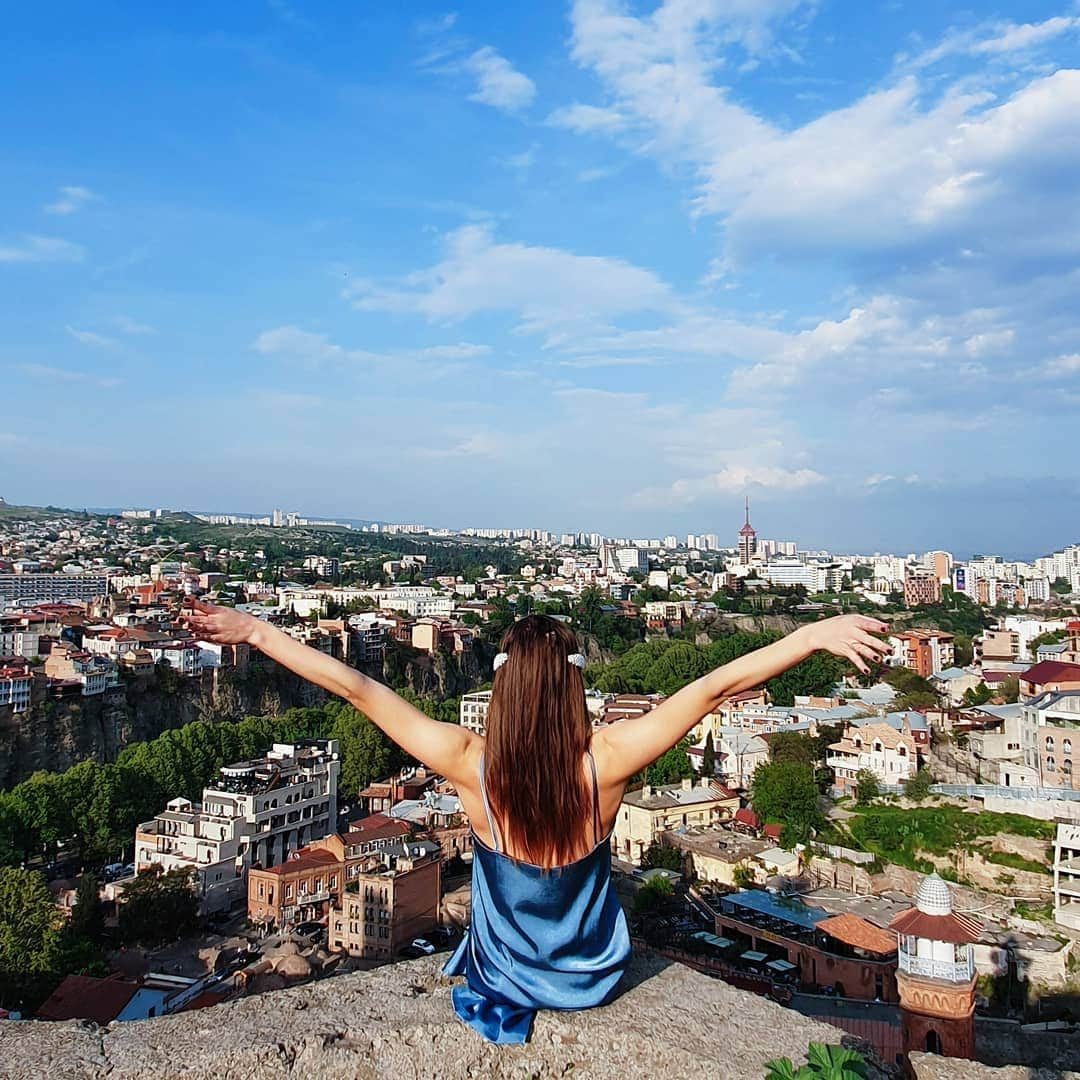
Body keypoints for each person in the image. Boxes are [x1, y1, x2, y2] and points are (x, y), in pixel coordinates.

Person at [180, 600, 890, 1043]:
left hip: (506, 980)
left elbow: (357, 687)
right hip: (594, 977)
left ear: (504, 688)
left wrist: (256, 631)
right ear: (571, 685)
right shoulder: (605, 763)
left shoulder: (467, 762)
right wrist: (811, 635)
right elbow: (712, 689)